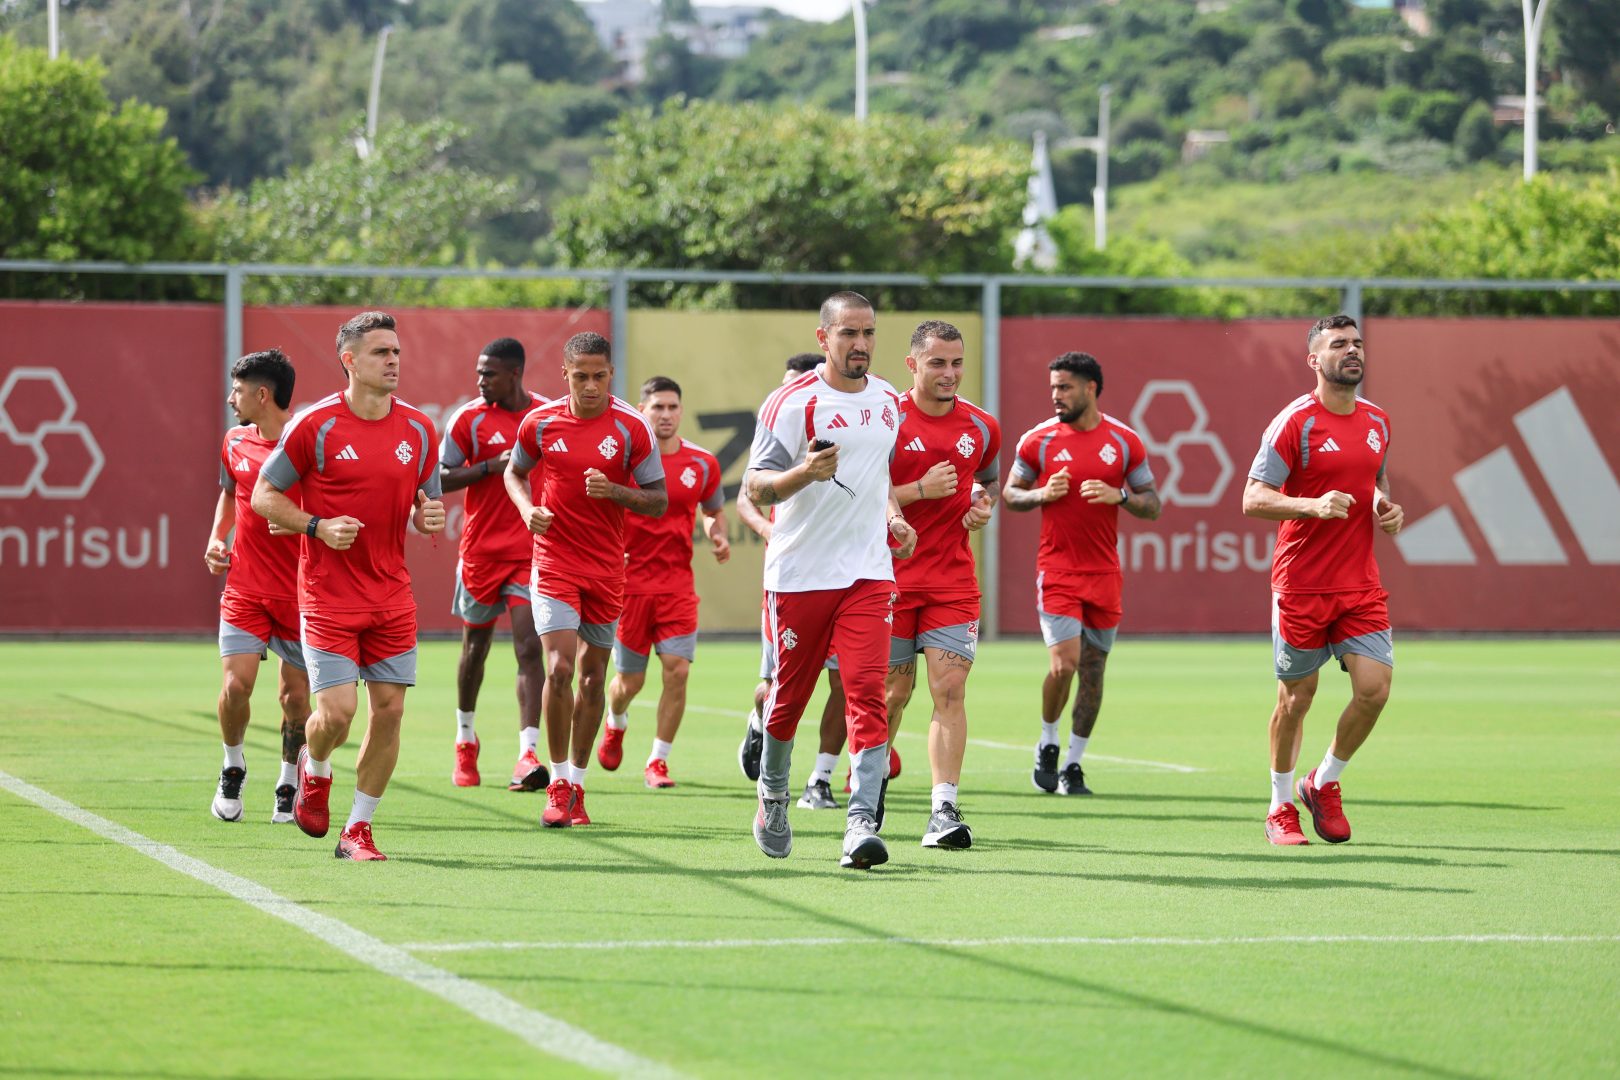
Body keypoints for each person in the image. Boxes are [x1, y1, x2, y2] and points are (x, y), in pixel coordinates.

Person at [253, 311, 448, 861]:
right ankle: (314, 768)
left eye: (396, 352)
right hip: (327, 596)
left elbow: (427, 503)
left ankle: (357, 829)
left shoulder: (419, 429)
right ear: (350, 361)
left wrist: (428, 516)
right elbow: (265, 496)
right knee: (337, 714)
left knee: (390, 711)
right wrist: (316, 526)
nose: (393, 361)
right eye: (381, 352)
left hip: (392, 596)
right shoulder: (314, 425)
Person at [743, 291, 917, 870]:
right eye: (848, 333)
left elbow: (879, 474)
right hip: (800, 575)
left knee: (866, 692)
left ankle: (861, 822)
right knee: (788, 699)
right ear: (824, 338)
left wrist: (894, 519)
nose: (861, 344)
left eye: (868, 332)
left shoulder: (889, 400)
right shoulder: (792, 402)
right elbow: (755, 487)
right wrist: (804, 473)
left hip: (869, 573)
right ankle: (773, 796)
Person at [1243, 314, 1402, 846]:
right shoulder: (1293, 423)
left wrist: (1383, 506)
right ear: (1314, 360)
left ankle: (1323, 780)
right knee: (1296, 699)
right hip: (1301, 585)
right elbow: (1253, 498)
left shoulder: (1378, 420)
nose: (1352, 350)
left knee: (1375, 690)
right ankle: (1279, 806)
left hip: (1359, 583)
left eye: (1357, 343)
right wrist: (1311, 505)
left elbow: (1375, 479)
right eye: (1339, 344)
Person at [504, 332, 667, 829]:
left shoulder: (632, 427)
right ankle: (556, 782)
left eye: (599, 376)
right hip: (554, 561)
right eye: (581, 377)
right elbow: (514, 473)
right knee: (558, 668)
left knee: (594, 677)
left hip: (607, 568)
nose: (591, 385)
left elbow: (658, 500)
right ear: (565, 375)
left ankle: (577, 783)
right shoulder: (540, 422)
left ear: (611, 374)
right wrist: (527, 509)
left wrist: (615, 490)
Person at [1002, 352, 1160, 798]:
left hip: (1105, 574)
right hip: (1057, 570)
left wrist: (1120, 496)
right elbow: (1010, 495)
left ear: (1091, 388)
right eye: (1053, 387)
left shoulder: (1125, 442)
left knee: (1093, 670)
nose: (1056, 395)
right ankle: (1048, 741)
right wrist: (1040, 494)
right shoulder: (1038, 441)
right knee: (1064, 663)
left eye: (1065, 387)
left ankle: (1073, 764)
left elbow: (1152, 504)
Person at [884, 321, 1001, 850]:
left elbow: (987, 479)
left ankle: (943, 810)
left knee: (949, 689)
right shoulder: (885, 418)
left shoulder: (982, 426)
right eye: (937, 363)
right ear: (912, 364)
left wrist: (982, 503)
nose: (950, 373)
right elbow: (858, 491)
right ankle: (870, 788)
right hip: (886, 579)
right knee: (891, 695)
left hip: (952, 581)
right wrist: (917, 491)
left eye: (957, 363)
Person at [596, 376, 730, 788]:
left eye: (673, 407)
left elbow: (712, 510)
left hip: (676, 587)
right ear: (642, 410)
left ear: (681, 411)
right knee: (629, 683)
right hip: (628, 587)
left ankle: (658, 760)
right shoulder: (624, 464)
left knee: (677, 671)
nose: (666, 415)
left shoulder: (701, 463)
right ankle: (616, 720)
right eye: (658, 407)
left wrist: (717, 534)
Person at [736, 353, 853, 811]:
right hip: (790, 577)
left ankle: (820, 778)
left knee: (845, 682)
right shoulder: (778, 424)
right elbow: (747, 497)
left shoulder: (848, 423)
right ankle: (760, 722)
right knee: (778, 686)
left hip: (845, 574)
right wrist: (768, 529)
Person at [438, 338, 550, 793]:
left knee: (529, 647)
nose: (480, 380)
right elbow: (439, 477)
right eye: (479, 372)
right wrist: (489, 467)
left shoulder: (544, 416)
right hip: (480, 553)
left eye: (489, 373)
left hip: (530, 551)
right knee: (475, 650)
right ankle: (465, 739)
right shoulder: (468, 418)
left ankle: (528, 753)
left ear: (514, 374)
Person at [204, 348, 310, 825]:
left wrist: (301, 524)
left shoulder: (309, 445)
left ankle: (289, 780)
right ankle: (233, 767)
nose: (231, 399)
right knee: (235, 686)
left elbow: (337, 507)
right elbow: (230, 494)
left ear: (262, 395)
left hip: (302, 595)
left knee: (296, 700)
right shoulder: (234, 441)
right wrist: (216, 538)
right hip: (245, 589)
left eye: (238, 391)